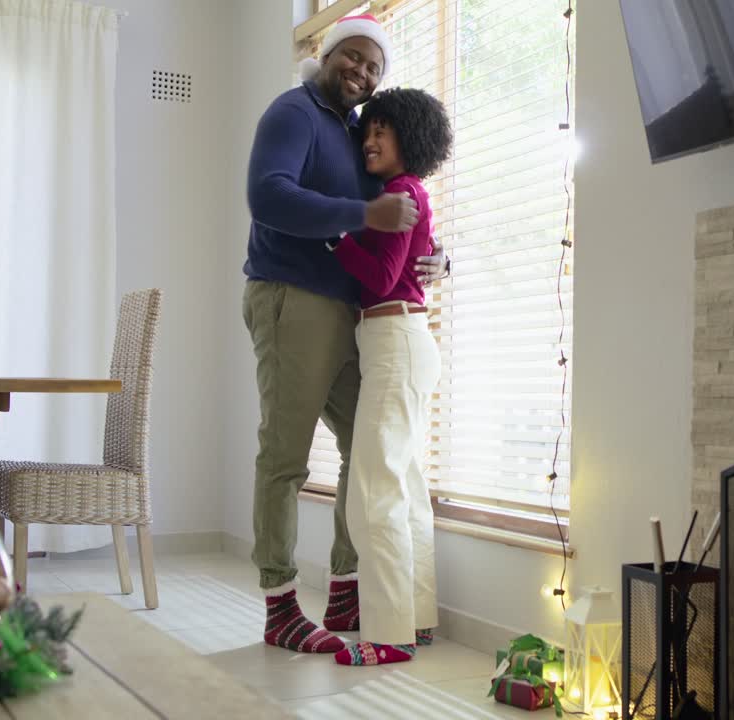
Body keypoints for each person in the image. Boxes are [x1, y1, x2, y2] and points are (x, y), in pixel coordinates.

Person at [242, 14, 447, 654]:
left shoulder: (360, 132)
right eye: (351, 58)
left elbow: (400, 212)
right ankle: (279, 605)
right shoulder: (293, 113)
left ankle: (345, 585)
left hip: (351, 314)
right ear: (326, 54)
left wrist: (438, 257)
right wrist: (362, 213)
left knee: (368, 450)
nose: (360, 72)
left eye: (374, 67)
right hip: (292, 300)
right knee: (286, 457)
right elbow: (267, 196)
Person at [326, 87, 453, 667]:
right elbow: (409, 266)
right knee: (404, 487)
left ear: (410, 138)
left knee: (375, 489)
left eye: (384, 131)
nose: (371, 140)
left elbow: (380, 278)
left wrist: (333, 235)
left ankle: (387, 634)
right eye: (367, 131)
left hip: (394, 339)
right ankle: (414, 619)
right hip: (404, 340)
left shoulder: (401, 194)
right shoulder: (407, 194)